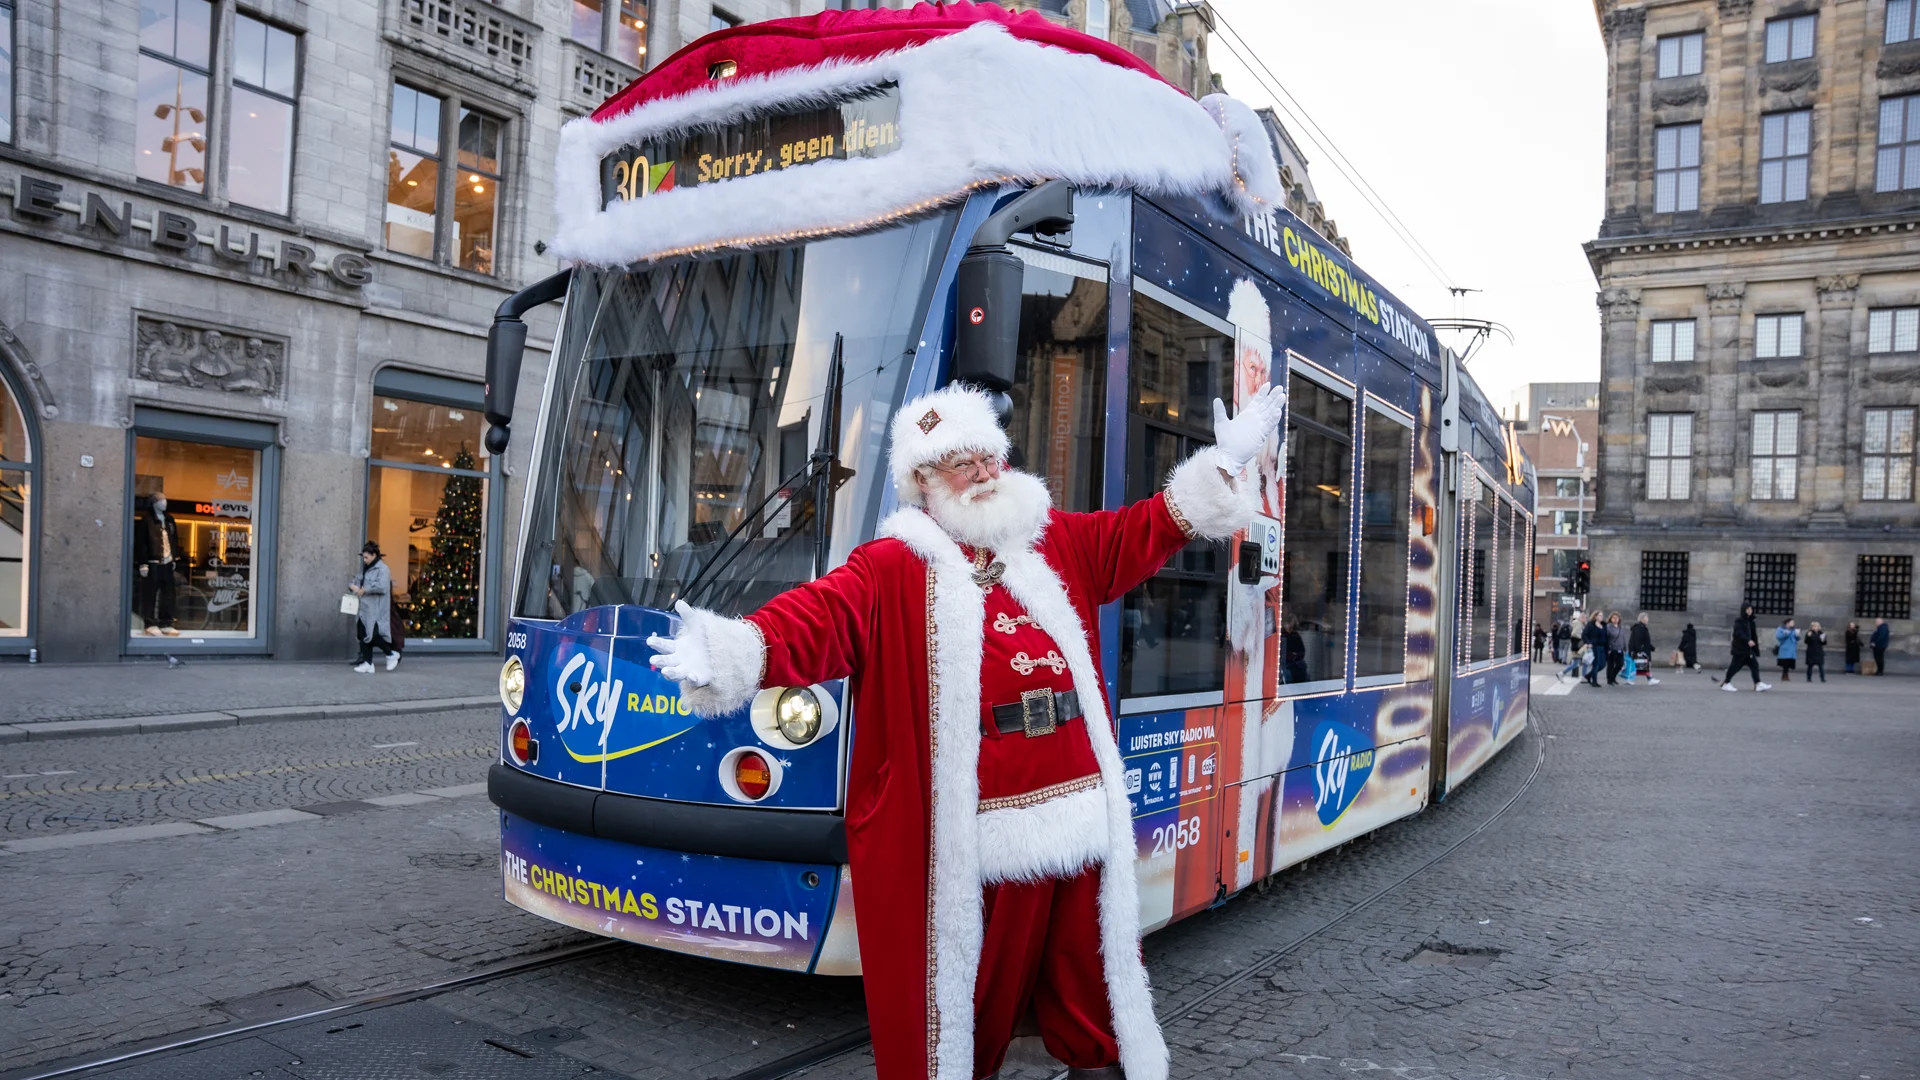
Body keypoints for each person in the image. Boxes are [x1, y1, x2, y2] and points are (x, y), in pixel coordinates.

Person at [646, 383, 1285, 1080]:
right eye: (960, 462)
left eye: (987, 457)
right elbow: (816, 618)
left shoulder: (1054, 545)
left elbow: (1146, 527)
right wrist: (734, 651)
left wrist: (1220, 466)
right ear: (923, 482)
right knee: (970, 1005)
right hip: (978, 841)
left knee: (1090, 988)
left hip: (1080, 819)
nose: (982, 473)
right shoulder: (892, 568)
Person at [132, 491, 183, 637]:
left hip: (168, 561)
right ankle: (150, 623)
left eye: (165, 500)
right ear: (154, 503)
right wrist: (143, 563)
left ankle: (166, 623)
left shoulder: (169, 520)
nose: (164, 503)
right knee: (150, 593)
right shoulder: (146, 521)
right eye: (161, 501)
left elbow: (174, 540)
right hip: (153, 562)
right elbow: (141, 543)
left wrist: (174, 557)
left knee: (169, 593)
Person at [350, 541, 401, 673]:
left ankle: (390, 654)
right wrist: (352, 586)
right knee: (362, 633)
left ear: (374, 555)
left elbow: (383, 587)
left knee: (372, 635)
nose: (365, 560)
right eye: (363, 557)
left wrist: (365, 590)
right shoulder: (365, 569)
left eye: (366, 557)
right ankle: (368, 663)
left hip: (375, 609)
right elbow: (355, 580)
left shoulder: (383, 569)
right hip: (363, 608)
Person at [1721, 604, 1771, 692]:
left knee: (1754, 665)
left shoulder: (1751, 622)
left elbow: (1753, 635)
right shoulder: (1739, 621)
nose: (1749, 611)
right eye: (1747, 609)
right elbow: (1738, 633)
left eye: (1751, 609)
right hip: (1740, 649)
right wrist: (1747, 640)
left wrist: (1754, 646)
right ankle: (1726, 683)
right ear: (1744, 610)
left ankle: (1758, 683)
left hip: (1748, 650)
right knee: (1734, 667)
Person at [1628, 612, 1660, 685]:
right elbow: (1638, 640)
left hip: (1641, 650)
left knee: (1642, 666)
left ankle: (1649, 679)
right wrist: (1640, 650)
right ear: (1642, 619)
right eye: (1646, 617)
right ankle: (1649, 679)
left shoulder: (1642, 627)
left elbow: (1646, 641)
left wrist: (1652, 648)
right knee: (1642, 666)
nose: (1648, 619)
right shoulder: (1640, 628)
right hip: (1641, 651)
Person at [1581, 611, 1609, 687]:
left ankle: (1588, 675)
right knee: (1596, 664)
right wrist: (1589, 642)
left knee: (1602, 664)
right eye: (1599, 615)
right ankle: (1594, 681)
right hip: (1595, 646)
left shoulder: (1604, 625)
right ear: (1595, 616)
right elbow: (1584, 635)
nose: (1601, 617)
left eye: (1602, 615)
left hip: (1603, 646)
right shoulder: (1591, 625)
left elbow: (1606, 636)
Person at [1605, 612, 1628, 686]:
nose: (1615, 619)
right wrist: (1608, 648)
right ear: (1610, 619)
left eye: (1617, 618)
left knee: (1620, 664)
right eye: (1614, 618)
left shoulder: (1620, 627)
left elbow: (1623, 638)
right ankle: (1609, 680)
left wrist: (1625, 648)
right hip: (1612, 649)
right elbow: (1606, 638)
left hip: (1620, 649)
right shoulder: (1608, 627)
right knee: (1610, 665)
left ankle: (1613, 677)